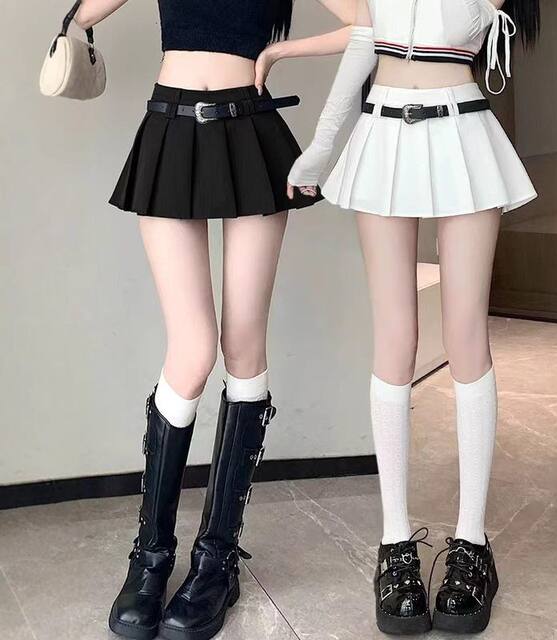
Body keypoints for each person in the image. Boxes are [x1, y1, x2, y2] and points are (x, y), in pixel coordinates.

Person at [72, 1, 357, 639]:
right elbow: (84, 14)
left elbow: (369, 21)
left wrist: (281, 51)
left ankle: (216, 562)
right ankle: (150, 559)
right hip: (170, 128)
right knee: (193, 348)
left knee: (242, 345)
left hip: (250, 131)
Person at [281, 0, 540, 634]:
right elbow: (365, 39)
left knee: (465, 337)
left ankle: (471, 542)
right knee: (394, 339)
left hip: (463, 130)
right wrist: (320, 146)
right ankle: (395, 542)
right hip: (381, 131)